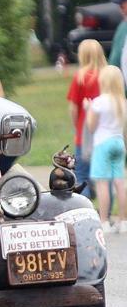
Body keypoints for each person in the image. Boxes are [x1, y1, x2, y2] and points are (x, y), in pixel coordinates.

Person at [85, 65, 127, 233]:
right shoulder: (122, 102)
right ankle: (124, 221)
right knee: (120, 183)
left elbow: (91, 126)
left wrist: (88, 109)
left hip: (103, 144)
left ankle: (104, 221)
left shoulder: (99, 102)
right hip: (118, 143)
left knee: (102, 184)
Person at [67, 39, 105, 194]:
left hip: (84, 134)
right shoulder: (107, 76)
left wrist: (77, 125)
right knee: (103, 175)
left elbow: (73, 108)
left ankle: (86, 208)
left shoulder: (80, 77)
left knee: (82, 174)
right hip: (104, 133)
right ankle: (106, 213)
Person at [109, 0, 127, 76]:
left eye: (122, 3)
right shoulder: (122, 27)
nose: (120, 7)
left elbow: (114, 62)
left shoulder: (123, 27)